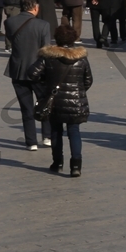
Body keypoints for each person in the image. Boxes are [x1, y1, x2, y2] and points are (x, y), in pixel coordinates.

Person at [37, 23, 92, 177]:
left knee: (56, 131)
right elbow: (88, 80)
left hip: (55, 102)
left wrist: (46, 86)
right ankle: (76, 166)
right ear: (73, 39)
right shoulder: (81, 59)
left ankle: (57, 162)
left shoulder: (48, 57)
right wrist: (78, 91)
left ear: (57, 38)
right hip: (76, 102)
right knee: (74, 131)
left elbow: (32, 73)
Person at [5, 0, 54, 149]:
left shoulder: (9, 22)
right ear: (34, 7)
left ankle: (31, 142)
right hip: (38, 70)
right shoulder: (43, 25)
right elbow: (46, 49)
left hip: (18, 70)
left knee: (26, 107)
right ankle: (47, 136)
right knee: (45, 103)